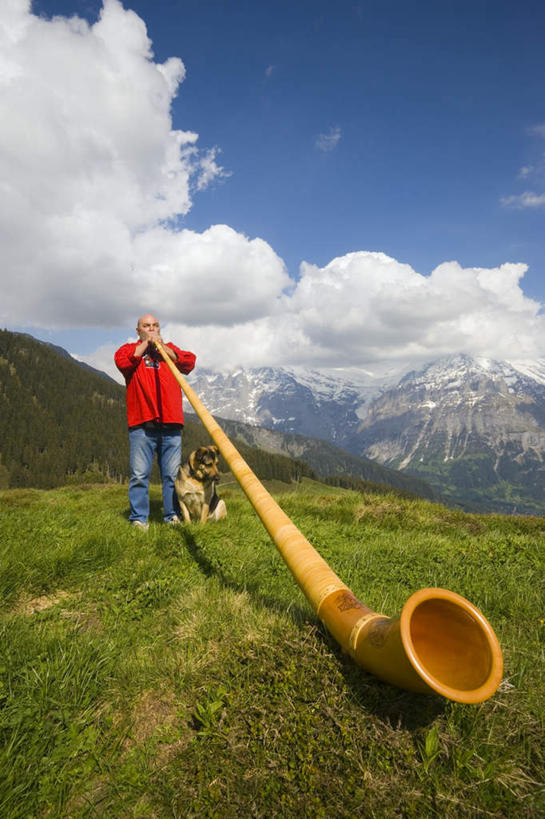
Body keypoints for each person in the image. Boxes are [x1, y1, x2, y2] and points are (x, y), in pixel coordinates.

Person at [114, 314, 196, 530]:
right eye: (146, 326)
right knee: (140, 475)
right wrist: (145, 345)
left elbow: (189, 362)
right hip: (142, 425)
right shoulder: (130, 350)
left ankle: (172, 516)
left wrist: (163, 348)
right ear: (138, 330)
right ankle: (139, 519)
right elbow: (123, 362)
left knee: (171, 475)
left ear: (160, 329)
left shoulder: (168, 349)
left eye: (155, 326)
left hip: (171, 425)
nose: (151, 329)